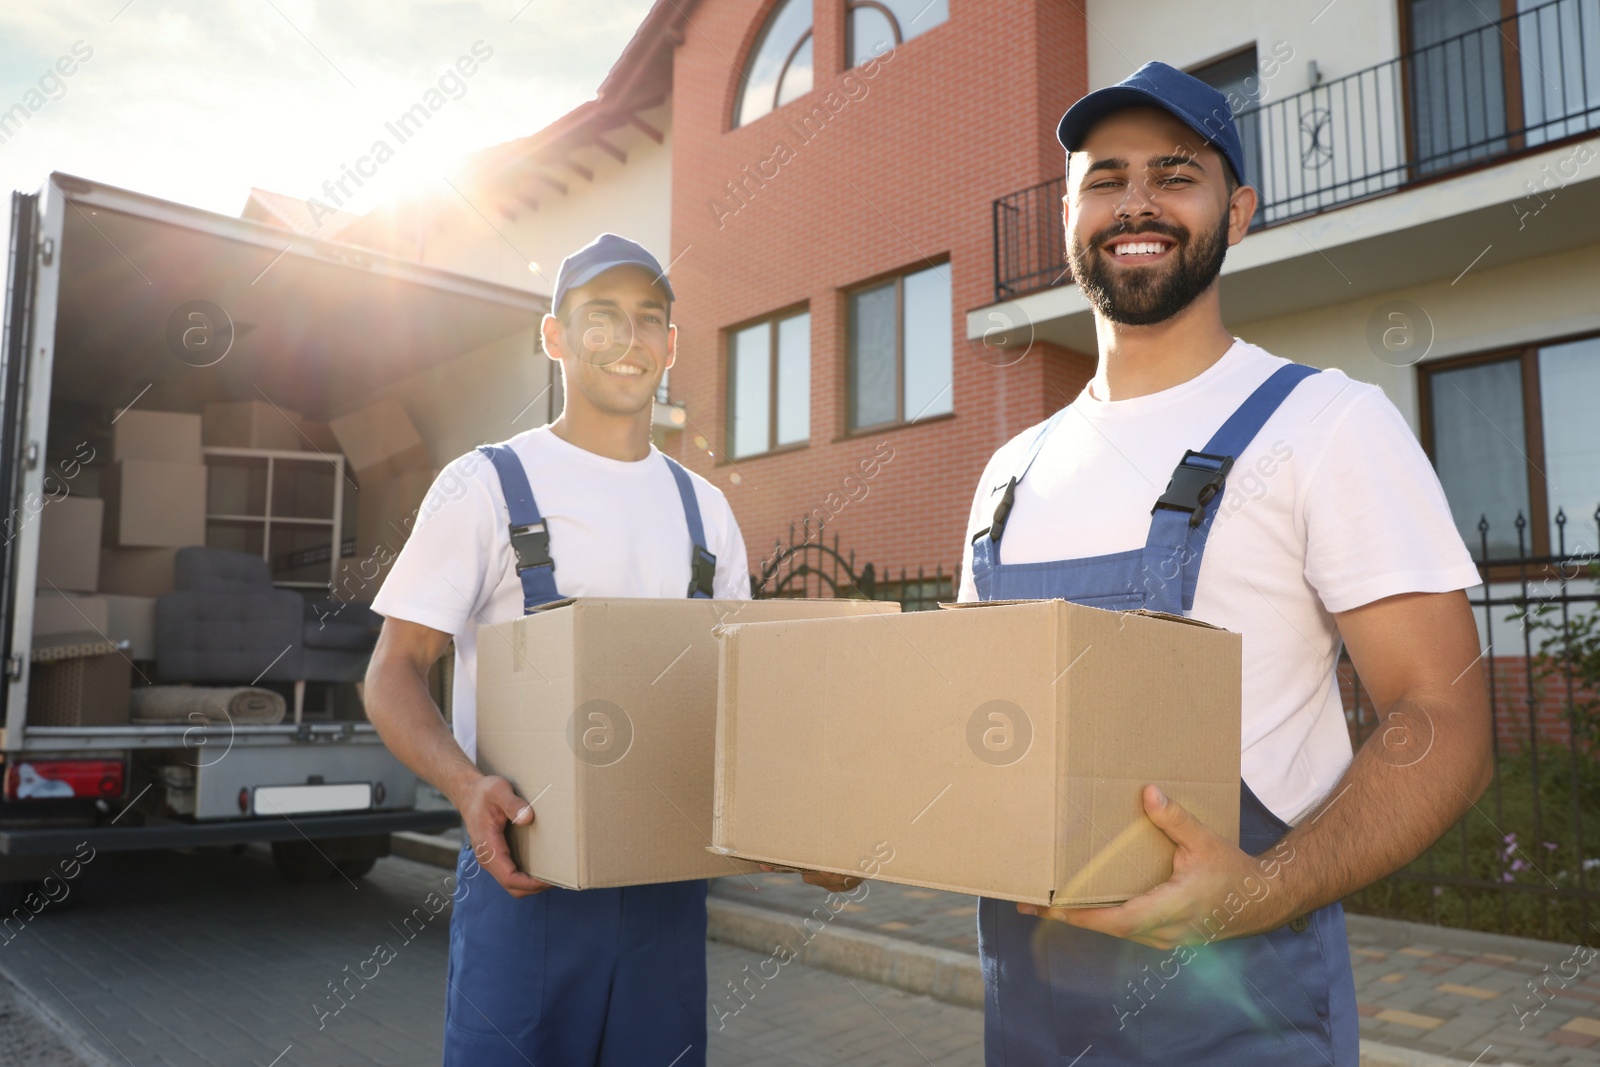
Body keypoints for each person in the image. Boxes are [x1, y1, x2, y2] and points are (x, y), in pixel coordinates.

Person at [956, 63, 1491, 1065]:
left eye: (1175, 175)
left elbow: (1446, 722)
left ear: (1237, 212)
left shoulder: (1327, 424)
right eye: (1105, 179)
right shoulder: (1009, 476)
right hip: (1026, 1013)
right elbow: (977, 736)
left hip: (1242, 1014)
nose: (1136, 204)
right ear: (1068, 217)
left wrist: (1258, 891)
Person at [363, 233, 751, 1067]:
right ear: (555, 337)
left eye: (647, 319)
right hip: (524, 881)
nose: (626, 339)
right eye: (600, 316)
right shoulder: (485, 484)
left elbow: (743, 697)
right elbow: (392, 672)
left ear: (671, 344)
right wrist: (466, 786)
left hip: (669, 894)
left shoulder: (707, 512)